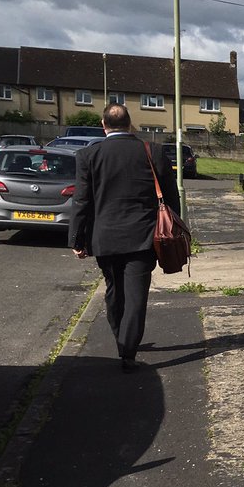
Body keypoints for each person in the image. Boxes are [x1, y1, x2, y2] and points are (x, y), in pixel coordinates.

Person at [69, 103, 179, 373]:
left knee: (114, 290)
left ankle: (122, 339)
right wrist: (174, 227)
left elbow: (81, 201)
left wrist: (77, 239)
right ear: (130, 124)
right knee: (136, 296)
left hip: (104, 238)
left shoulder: (88, 156)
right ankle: (128, 351)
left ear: (103, 125)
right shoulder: (152, 151)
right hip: (143, 237)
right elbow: (171, 195)